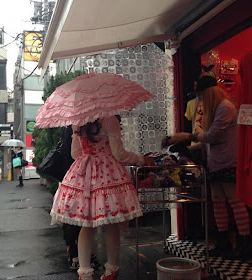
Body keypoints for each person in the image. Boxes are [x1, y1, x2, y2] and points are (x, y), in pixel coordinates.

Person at [50, 116, 154, 280]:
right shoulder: (110, 120)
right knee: (112, 224)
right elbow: (119, 154)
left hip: (83, 174)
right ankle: (111, 271)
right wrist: (141, 159)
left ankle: (84, 273)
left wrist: (89, 155)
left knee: (86, 224)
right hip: (108, 174)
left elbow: (75, 153)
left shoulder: (78, 121)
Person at [164, 76, 250, 259]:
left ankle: (245, 243)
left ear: (208, 93)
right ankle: (224, 241)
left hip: (228, 161)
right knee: (218, 201)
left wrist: (185, 137)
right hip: (216, 162)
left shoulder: (225, 108)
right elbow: (209, 141)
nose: (200, 100)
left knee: (234, 201)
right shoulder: (217, 109)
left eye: (201, 95)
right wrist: (187, 146)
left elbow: (211, 137)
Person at [60, 125, 100, 271]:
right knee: (77, 219)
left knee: (79, 219)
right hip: (77, 176)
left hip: (74, 175)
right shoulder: (75, 125)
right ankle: (75, 255)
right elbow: (73, 153)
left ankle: (81, 255)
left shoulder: (75, 124)